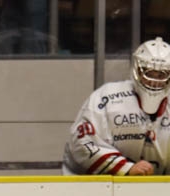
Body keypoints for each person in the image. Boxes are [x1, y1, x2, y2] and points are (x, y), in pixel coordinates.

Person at [63, 37, 170, 176]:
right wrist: (124, 168)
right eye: (148, 72)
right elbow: (82, 141)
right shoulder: (107, 97)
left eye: (161, 75)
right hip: (104, 185)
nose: (154, 81)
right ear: (137, 70)